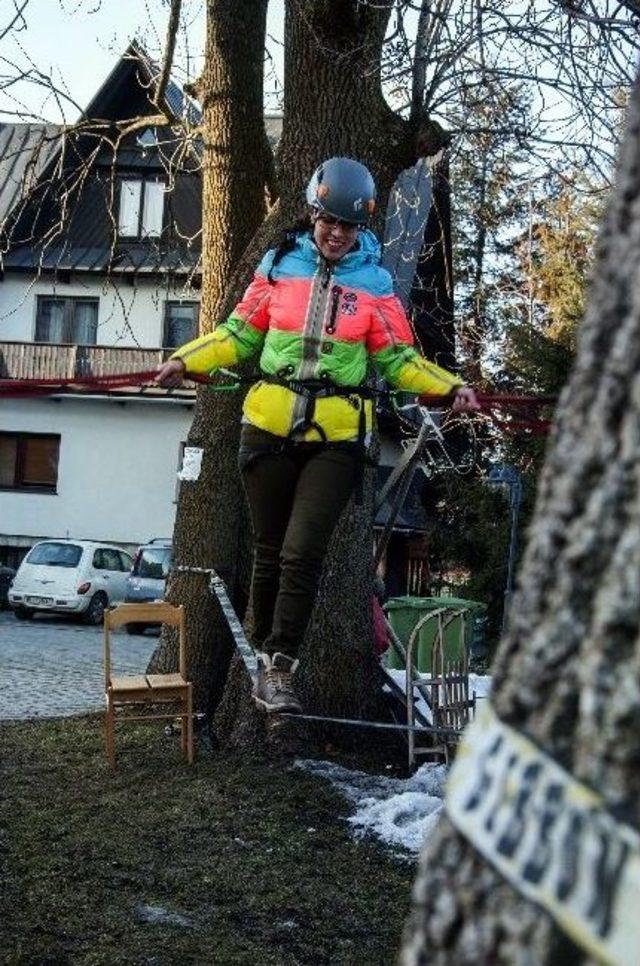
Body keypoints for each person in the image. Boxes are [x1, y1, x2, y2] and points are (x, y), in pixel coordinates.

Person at [155, 157, 479, 715]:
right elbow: (235, 335)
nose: (336, 233)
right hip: (266, 427)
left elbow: (400, 360)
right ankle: (261, 660)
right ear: (312, 213)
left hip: (336, 437)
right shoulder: (279, 265)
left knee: (303, 551)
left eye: (348, 226)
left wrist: (449, 387)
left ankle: (280, 667)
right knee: (268, 552)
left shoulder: (374, 284)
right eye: (328, 220)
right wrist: (185, 359)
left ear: (361, 230)